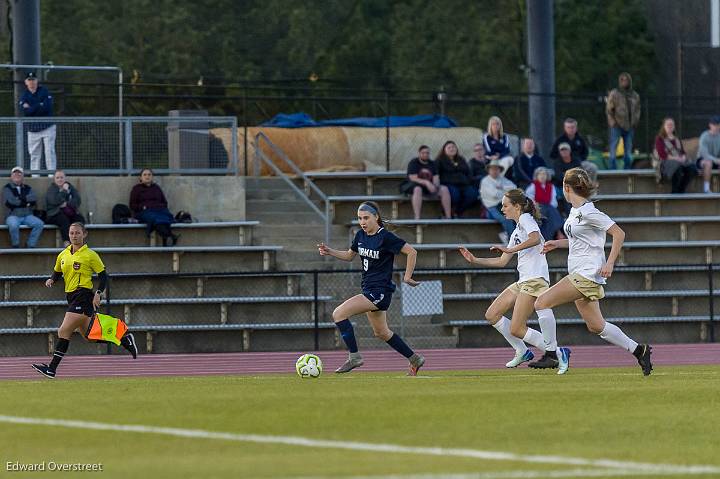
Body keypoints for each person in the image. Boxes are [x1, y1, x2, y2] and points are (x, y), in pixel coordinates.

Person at [535, 168, 653, 376]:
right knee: (597, 326)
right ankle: (639, 350)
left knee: (541, 302)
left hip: (587, 274)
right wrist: (558, 243)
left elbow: (619, 233)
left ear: (567, 187)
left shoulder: (590, 211)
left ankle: (552, 354)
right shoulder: (575, 212)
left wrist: (610, 263)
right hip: (580, 272)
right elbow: (580, 241)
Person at [459, 189, 570, 373]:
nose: (502, 209)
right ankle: (522, 350)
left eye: (505, 205)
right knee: (492, 314)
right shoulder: (517, 229)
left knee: (517, 328)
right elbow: (502, 261)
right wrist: (475, 260)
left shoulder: (526, 219)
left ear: (517, 207)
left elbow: (535, 239)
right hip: (524, 281)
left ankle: (558, 353)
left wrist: (510, 250)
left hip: (534, 280)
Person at [317, 201, 425, 375]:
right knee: (382, 332)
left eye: (366, 217)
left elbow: (412, 252)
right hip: (369, 289)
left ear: (376, 217)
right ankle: (415, 359)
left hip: (379, 291)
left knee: (338, 313)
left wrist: (407, 276)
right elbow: (349, 255)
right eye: (360, 218)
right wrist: (330, 251)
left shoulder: (385, 237)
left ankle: (355, 357)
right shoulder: (360, 235)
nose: (362, 222)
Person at [31, 222, 138, 378]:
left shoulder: (90, 255)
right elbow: (57, 271)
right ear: (68, 235)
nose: (74, 236)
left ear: (84, 234)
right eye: (72, 233)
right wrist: (52, 279)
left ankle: (51, 368)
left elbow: (103, 277)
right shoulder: (63, 254)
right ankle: (123, 338)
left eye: (78, 233)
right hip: (71, 297)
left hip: (83, 296)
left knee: (63, 330)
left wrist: (98, 293)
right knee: (89, 336)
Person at [129, 168, 179, 246]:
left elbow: (164, 202)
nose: (147, 176)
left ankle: (167, 238)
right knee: (154, 218)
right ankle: (169, 236)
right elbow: (132, 205)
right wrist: (143, 207)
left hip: (159, 210)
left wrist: (158, 207)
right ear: (140, 178)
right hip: (144, 212)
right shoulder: (136, 189)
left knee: (165, 216)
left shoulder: (156, 188)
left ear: (152, 177)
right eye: (144, 175)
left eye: (149, 174)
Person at [19, 71, 56, 175]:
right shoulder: (24, 95)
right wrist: (39, 105)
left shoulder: (44, 91)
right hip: (32, 129)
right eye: (29, 80)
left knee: (49, 152)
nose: (32, 82)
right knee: (34, 154)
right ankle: (35, 176)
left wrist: (32, 107)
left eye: (33, 80)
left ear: (37, 81)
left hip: (47, 126)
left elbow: (47, 107)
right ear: (26, 82)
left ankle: (51, 175)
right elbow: (25, 111)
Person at [400, 145, 451, 219]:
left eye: (427, 153)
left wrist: (435, 186)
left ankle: (448, 217)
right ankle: (417, 217)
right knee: (418, 189)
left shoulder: (432, 163)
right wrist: (427, 183)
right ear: (419, 153)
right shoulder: (414, 162)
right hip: (413, 186)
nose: (425, 154)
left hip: (428, 187)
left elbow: (436, 177)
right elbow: (413, 178)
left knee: (444, 189)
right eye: (423, 153)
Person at [606, 72, 641, 170]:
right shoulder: (614, 93)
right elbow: (609, 109)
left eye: (626, 80)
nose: (624, 82)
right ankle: (612, 171)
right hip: (617, 125)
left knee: (628, 153)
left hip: (630, 126)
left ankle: (626, 171)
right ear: (619, 81)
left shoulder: (634, 95)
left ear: (629, 81)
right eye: (622, 80)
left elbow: (638, 109)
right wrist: (612, 122)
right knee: (613, 152)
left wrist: (635, 121)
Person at [3, 166, 44, 248]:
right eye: (15, 173)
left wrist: (20, 199)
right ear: (11, 176)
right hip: (12, 215)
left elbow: (33, 198)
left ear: (22, 176)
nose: (17, 174)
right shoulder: (7, 188)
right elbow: (11, 202)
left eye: (19, 173)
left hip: (27, 215)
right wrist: (26, 202)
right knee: (13, 225)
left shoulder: (28, 188)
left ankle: (30, 245)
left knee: (39, 224)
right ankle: (16, 245)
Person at [654, 117, 696, 194]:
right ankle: (675, 191)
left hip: (678, 160)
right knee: (677, 167)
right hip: (665, 161)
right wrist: (676, 158)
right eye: (668, 125)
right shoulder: (659, 139)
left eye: (672, 125)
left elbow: (682, 152)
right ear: (664, 126)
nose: (670, 126)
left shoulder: (677, 139)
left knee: (692, 168)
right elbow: (662, 154)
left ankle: (681, 189)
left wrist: (683, 157)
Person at [436, 141, 477, 217]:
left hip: (463, 184)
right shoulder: (439, 160)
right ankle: (447, 212)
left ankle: (458, 211)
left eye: (453, 147)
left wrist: (469, 181)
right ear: (444, 150)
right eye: (449, 147)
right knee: (455, 196)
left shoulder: (461, 159)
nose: (452, 149)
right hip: (448, 184)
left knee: (473, 195)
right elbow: (436, 174)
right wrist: (437, 186)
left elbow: (468, 172)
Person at [45, 169, 85, 247]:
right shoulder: (51, 189)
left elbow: (77, 200)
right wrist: (64, 191)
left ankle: (79, 241)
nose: (60, 179)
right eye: (57, 178)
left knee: (79, 219)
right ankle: (67, 243)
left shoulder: (70, 187)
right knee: (63, 220)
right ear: (54, 179)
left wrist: (66, 204)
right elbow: (54, 201)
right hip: (54, 214)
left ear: (65, 178)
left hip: (69, 212)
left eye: (61, 177)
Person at [480, 159, 516, 243]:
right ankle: (512, 241)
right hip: (491, 208)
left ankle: (509, 236)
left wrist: (502, 188)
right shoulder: (485, 181)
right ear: (489, 170)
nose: (494, 171)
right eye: (492, 169)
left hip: (504, 205)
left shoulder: (503, 179)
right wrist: (506, 192)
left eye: (496, 169)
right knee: (506, 218)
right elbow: (494, 194)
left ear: (499, 170)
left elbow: (514, 188)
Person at [526, 167, 564, 241]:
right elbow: (529, 198)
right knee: (551, 212)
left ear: (547, 176)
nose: (542, 176)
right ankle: (559, 232)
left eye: (544, 174)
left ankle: (547, 238)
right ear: (537, 176)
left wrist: (551, 208)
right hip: (537, 207)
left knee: (550, 214)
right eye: (540, 174)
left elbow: (553, 200)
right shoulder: (533, 186)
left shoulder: (551, 186)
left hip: (548, 207)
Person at [696, 115, 720, 194]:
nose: (716, 127)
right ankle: (706, 189)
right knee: (708, 162)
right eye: (714, 124)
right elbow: (705, 154)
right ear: (710, 125)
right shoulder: (704, 136)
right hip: (702, 160)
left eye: (718, 124)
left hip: (716, 160)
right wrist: (717, 160)